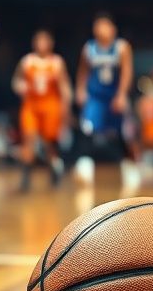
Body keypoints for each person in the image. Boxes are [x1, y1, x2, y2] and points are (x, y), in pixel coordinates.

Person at [74, 11, 139, 191]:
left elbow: (127, 72)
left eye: (104, 25)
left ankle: (130, 166)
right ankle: (84, 165)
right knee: (87, 128)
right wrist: (80, 89)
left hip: (114, 95)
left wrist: (122, 94)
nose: (100, 29)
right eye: (98, 25)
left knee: (123, 132)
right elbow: (83, 72)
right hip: (95, 96)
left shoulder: (121, 47)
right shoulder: (89, 48)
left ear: (112, 29)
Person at [12, 29, 71, 192]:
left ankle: (54, 169)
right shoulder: (27, 61)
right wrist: (19, 86)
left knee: (49, 143)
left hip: (51, 105)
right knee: (28, 138)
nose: (41, 44)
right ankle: (25, 178)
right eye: (38, 41)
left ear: (50, 43)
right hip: (31, 105)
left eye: (45, 41)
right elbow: (16, 80)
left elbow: (64, 86)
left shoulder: (57, 62)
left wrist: (66, 106)